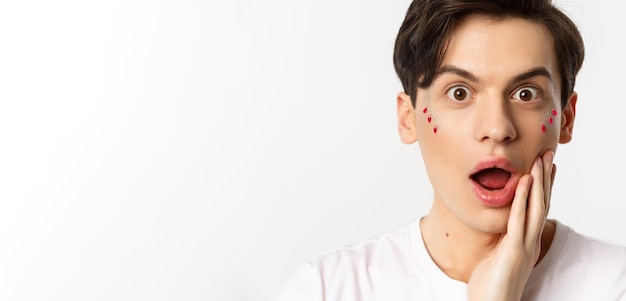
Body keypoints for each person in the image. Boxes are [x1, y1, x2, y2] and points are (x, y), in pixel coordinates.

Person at [274, 0, 626, 300]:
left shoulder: (615, 283)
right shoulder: (327, 289)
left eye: (526, 94)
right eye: (459, 93)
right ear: (408, 118)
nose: (498, 128)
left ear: (566, 118)